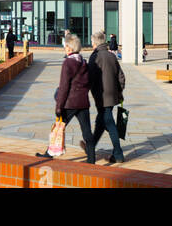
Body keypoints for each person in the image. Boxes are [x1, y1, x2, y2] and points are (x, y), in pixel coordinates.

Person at [38, 33, 93, 164]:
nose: (64, 48)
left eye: (65, 46)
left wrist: (58, 107)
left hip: (70, 103)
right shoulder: (83, 62)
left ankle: (48, 154)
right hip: (83, 102)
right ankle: (92, 160)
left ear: (68, 47)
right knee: (87, 132)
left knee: (58, 128)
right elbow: (88, 82)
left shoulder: (68, 62)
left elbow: (64, 87)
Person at [87, 30, 126, 164]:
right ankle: (90, 146)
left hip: (101, 97)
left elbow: (89, 78)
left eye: (92, 42)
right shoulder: (111, 56)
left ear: (95, 43)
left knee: (109, 123)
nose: (91, 44)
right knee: (101, 121)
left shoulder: (94, 57)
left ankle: (118, 153)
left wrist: (89, 92)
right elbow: (121, 77)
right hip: (112, 95)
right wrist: (119, 91)